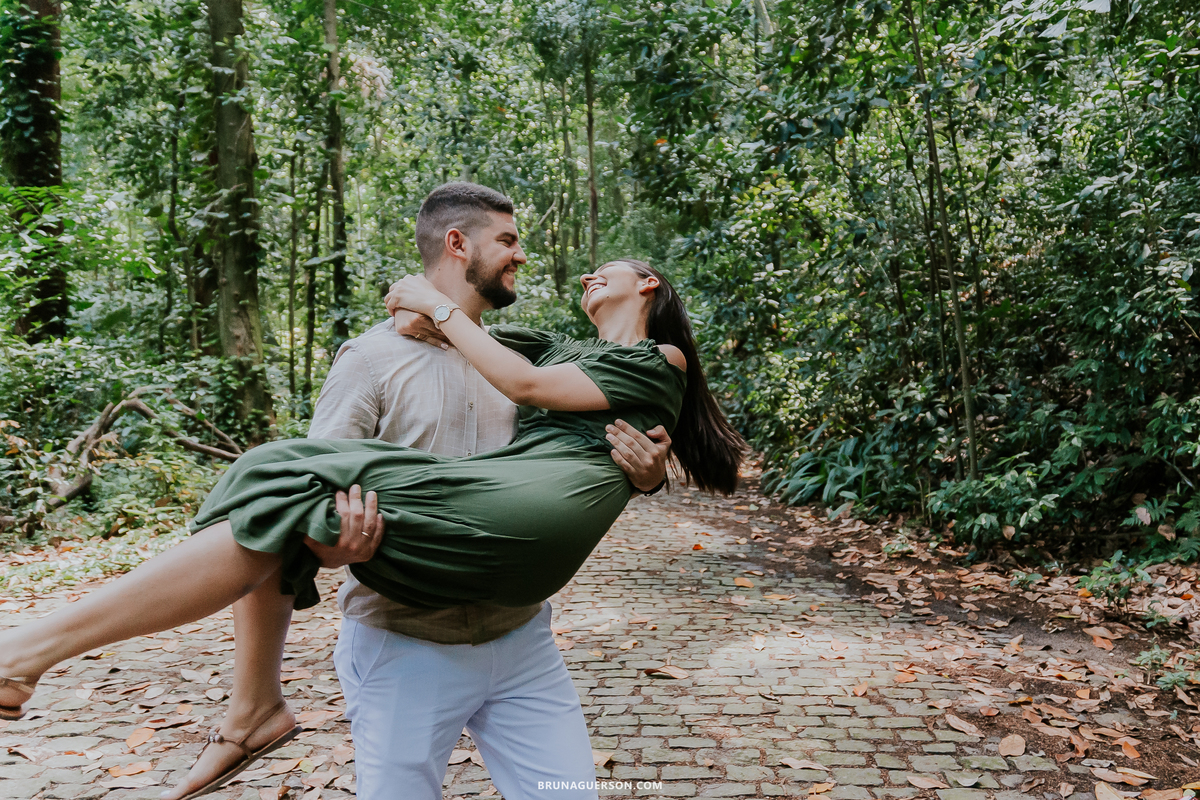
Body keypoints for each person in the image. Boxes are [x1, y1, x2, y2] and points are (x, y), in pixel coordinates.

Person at [0, 201, 744, 799]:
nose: (527, 257)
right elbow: (325, 498)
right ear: (460, 244)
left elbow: (568, 429)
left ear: (648, 286)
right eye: (510, 241)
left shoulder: (542, 357)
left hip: (520, 635)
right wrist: (333, 548)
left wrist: (648, 473)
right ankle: (236, 699)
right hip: (405, 638)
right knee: (281, 485)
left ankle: (232, 702)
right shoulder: (377, 358)